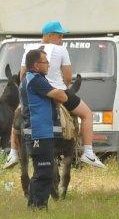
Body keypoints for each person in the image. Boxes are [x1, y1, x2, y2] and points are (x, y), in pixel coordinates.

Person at [4, 21, 105, 170]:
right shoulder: (61, 49)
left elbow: (22, 75)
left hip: (34, 92)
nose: (61, 39)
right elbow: (69, 77)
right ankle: (88, 152)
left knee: (18, 113)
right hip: (57, 91)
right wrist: (61, 84)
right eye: (59, 35)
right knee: (87, 114)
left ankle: (13, 153)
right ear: (49, 35)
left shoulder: (29, 50)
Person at [19, 48, 71, 209]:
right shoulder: (35, 79)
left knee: (43, 171)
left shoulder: (34, 78)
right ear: (36, 65)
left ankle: (34, 206)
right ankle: (39, 207)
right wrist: (58, 93)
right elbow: (63, 97)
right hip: (38, 133)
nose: (48, 65)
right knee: (44, 172)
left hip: (41, 133)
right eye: (45, 62)